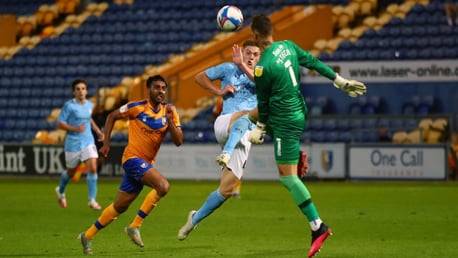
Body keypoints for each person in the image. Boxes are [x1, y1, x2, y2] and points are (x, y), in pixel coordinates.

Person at [247, 14, 366, 258]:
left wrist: (261, 127)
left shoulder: (262, 67)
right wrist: (340, 81)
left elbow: (264, 103)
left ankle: (317, 226)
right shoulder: (288, 45)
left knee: (287, 179)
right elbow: (312, 61)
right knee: (250, 115)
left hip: (284, 121)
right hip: (299, 113)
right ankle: (295, 154)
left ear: (255, 35)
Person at [78, 75, 183, 255]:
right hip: (132, 159)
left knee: (120, 207)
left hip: (145, 164)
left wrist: (171, 122)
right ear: (149, 89)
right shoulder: (136, 107)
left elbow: (178, 141)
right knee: (163, 186)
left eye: (164, 88)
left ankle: (87, 236)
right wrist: (106, 143)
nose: (161, 91)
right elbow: (112, 116)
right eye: (157, 88)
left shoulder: (170, 110)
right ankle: (135, 226)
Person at [177, 40, 261, 240]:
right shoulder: (228, 68)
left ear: (259, 58)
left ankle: (194, 219)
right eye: (247, 53)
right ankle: (226, 153)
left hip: (244, 136)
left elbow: (261, 85)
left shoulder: (263, 76)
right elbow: (199, 77)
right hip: (225, 123)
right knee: (245, 114)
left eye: (255, 54)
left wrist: (242, 65)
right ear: (242, 52)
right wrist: (218, 91)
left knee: (227, 190)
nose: (250, 57)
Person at [55, 79, 104, 210]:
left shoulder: (90, 105)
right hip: (73, 143)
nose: (81, 91)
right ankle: (60, 190)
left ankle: (92, 200)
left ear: (86, 91)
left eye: (83, 88)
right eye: (78, 89)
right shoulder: (69, 106)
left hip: (88, 141)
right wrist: (76, 129)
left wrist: (98, 131)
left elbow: (89, 119)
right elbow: (60, 123)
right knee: (71, 172)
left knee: (93, 167)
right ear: (74, 92)